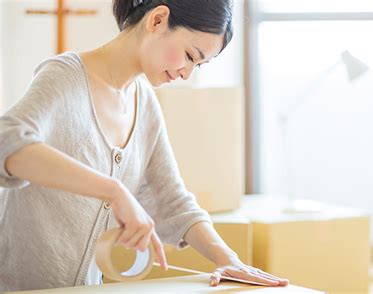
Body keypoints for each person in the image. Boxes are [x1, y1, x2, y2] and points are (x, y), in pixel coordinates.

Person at [0, 0, 289, 291]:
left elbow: (172, 201)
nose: (186, 74)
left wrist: (229, 260)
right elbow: (7, 143)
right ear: (158, 20)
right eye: (190, 56)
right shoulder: (65, 76)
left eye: (199, 65)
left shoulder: (144, 102)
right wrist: (114, 191)